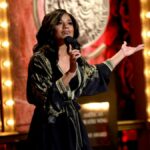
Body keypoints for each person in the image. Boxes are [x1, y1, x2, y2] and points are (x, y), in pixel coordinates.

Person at [26, 9, 144, 150]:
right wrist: (70, 72)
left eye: (69, 23)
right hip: (49, 127)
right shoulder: (40, 60)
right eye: (59, 23)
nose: (66, 27)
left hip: (73, 126)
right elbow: (47, 99)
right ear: (50, 28)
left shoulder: (76, 57)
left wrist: (121, 53)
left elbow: (94, 74)